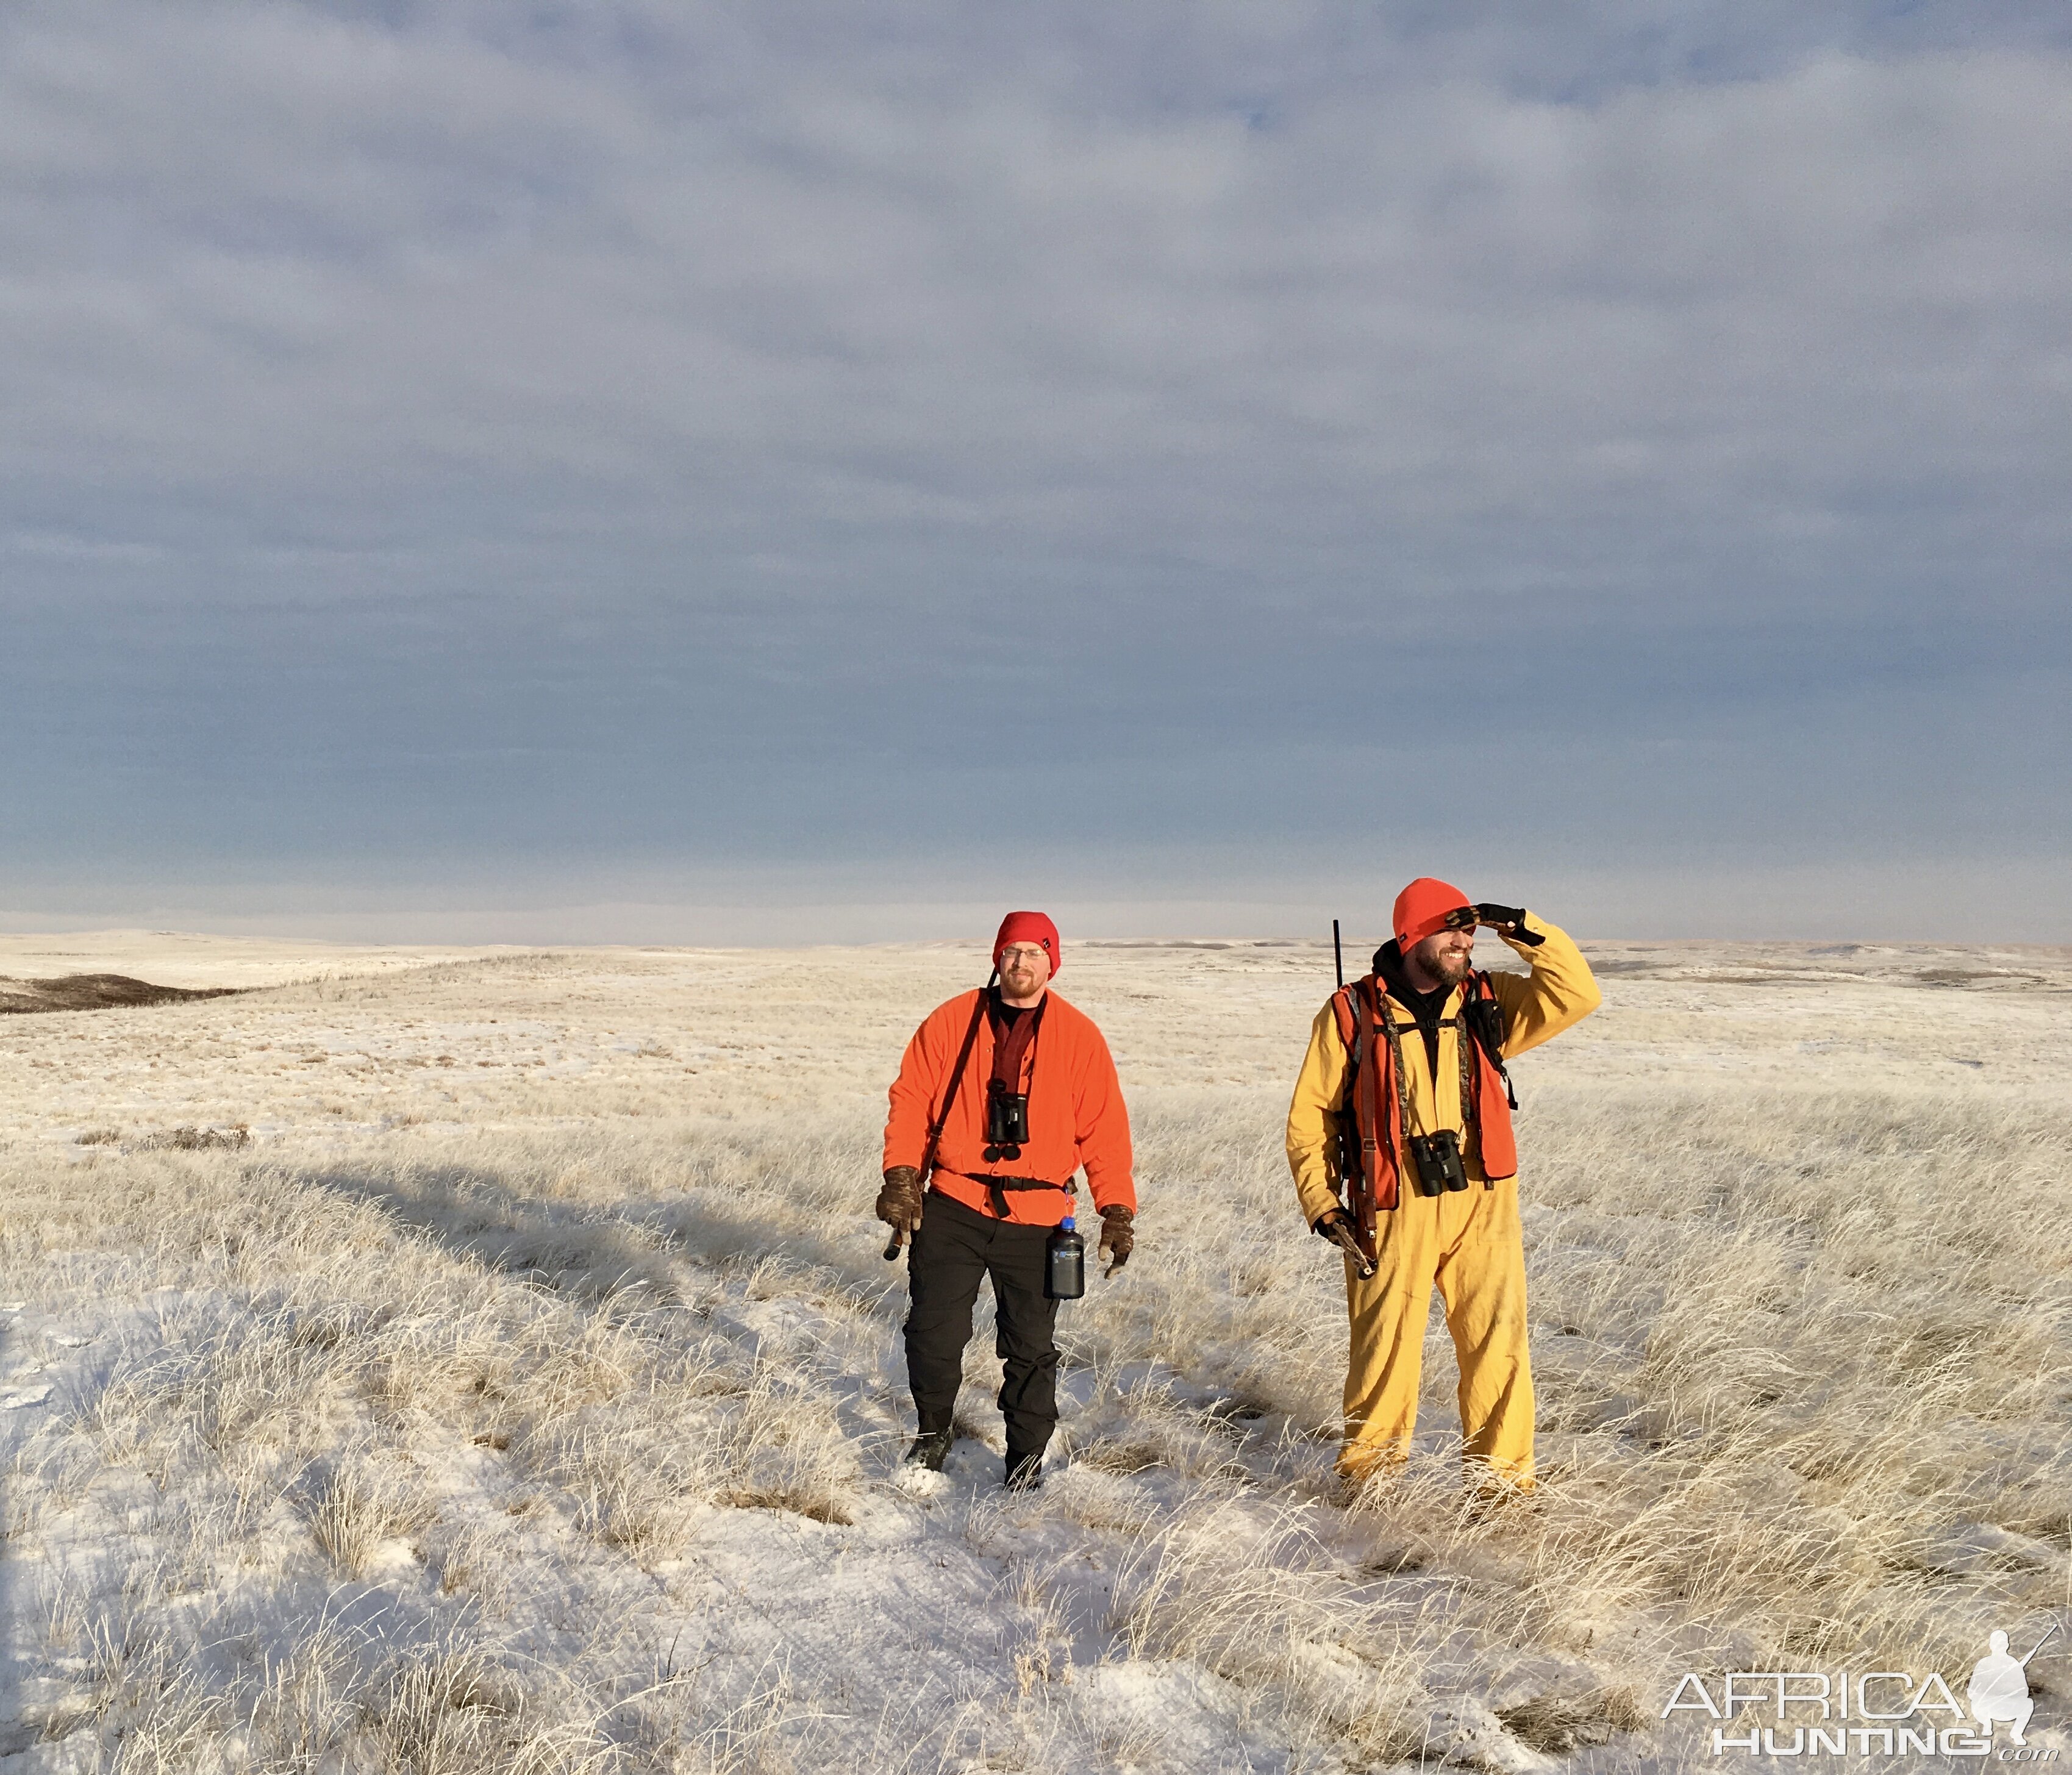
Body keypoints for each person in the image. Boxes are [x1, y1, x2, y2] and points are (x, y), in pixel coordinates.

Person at [1285, 879, 1600, 1494]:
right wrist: (1323, 1205)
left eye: (1470, 929)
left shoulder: (1488, 1000)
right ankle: (1370, 1486)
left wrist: (1524, 927)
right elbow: (1309, 1115)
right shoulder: (1350, 1012)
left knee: (1497, 1345)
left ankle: (1502, 1487)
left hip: (1482, 1199)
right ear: (1410, 935)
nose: (1464, 940)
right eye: (1449, 929)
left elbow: (1576, 994)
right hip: (1390, 1201)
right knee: (1384, 1352)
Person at [877, 911, 1136, 1491]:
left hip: (1040, 1217)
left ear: (1054, 962)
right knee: (934, 1331)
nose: (1021, 963)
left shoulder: (1079, 1036)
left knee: (1030, 1347)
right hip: (954, 1201)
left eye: (1034, 953)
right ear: (997, 958)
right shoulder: (953, 1021)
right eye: (1011, 952)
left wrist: (1116, 1209)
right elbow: (911, 1099)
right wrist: (900, 1176)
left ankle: (1024, 1459)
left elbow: (1105, 1129)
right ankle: (934, 1432)